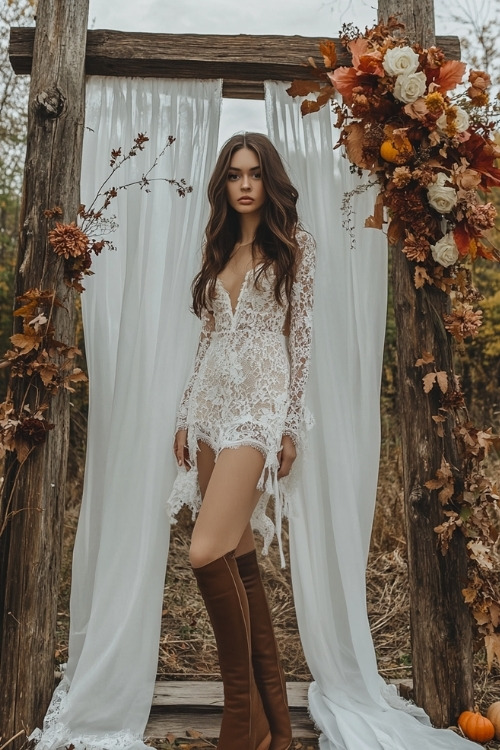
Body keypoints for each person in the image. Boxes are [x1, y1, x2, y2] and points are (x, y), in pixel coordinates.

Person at [167, 132, 316, 750]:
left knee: (204, 551)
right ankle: (276, 729)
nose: (246, 183)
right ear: (224, 184)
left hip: (257, 409)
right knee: (235, 559)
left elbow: (300, 342)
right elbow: (206, 341)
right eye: (235, 174)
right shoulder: (219, 248)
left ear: (269, 179)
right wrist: (183, 414)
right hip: (208, 408)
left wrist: (289, 424)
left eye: (255, 173)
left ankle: (241, 719)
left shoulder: (294, 248)